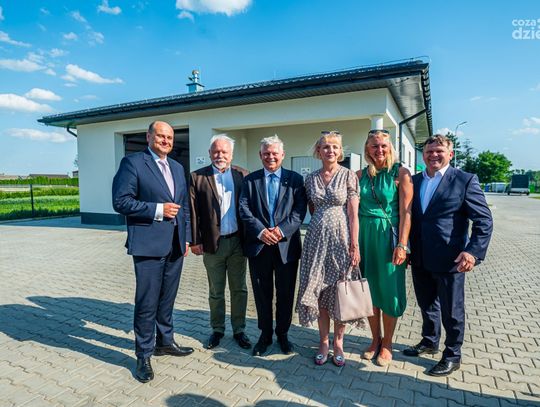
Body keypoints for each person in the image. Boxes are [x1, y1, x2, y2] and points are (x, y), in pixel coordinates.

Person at [403, 134, 493, 377]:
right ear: (423, 155)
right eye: (429, 151)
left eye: (439, 151)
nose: (433, 155)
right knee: (426, 304)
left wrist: (472, 252)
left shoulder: (464, 180)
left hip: (450, 258)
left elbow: (484, 220)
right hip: (420, 256)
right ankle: (429, 341)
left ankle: (452, 355)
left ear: (450, 154)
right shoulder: (414, 180)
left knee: (452, 310)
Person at [112, 121, 194, 383]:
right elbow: (120, 201)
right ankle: (143, 354)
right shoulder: (133, 163)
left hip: (175, 245)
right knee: (147, 302)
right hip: (148, 244)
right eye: (161, 136)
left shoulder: (177, 167)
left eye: (169, 137)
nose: (166, 141)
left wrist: (187, 239)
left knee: (167, 299)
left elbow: (184, 207)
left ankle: (165, 342)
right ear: (149, 137)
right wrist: (158, 210)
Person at [296, 131, 361, 367]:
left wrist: (355, 245)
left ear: (340, 151)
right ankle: (323, 341)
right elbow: (313, 209)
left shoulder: (349, 175)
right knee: (320, 292)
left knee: (340, 291)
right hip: (315, 241)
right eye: (325, 147)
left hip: (341, 241)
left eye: (334, 147)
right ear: (318, 151)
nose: (330, 150)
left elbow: (353, 214)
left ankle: (339, 343)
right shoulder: (310, 178)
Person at [239, 135, 307, 357]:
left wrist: (280, 231)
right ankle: (265, 334)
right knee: (262, 294)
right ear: (260, 155)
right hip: (259, 246)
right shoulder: (250, 180)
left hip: (286, 247)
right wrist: (261, 232)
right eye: (266, 153)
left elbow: (299, 211)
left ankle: (283, 334)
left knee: (286, 293)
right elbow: (244, 209)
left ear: (282, 155)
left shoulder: (295, 180)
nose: (270, 157)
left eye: (274, 153)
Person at [189, 134, 251, 351]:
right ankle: (217, 329)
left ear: (231, 154)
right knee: (216, 290)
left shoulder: (243, 175)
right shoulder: (197, 177)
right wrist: (194, 241)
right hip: (211, 245)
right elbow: (192, 212)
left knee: (239, 289)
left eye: (224, 151)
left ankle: (239, 329)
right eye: (216, 151)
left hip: (237, 243)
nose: (220, 155)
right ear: (209, 153)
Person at [356, 129, 413, 367]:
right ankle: (375, 339)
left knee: (389, 291)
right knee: (368, 291)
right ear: (367, 149)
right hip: (364, 237)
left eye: (383, 146)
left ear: (390, 148)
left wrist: (402, 244)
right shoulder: (359, 174)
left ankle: (387, 343)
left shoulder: (401, 173)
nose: (379, 150)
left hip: (389, 239)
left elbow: (407, 213)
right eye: (374, 146)